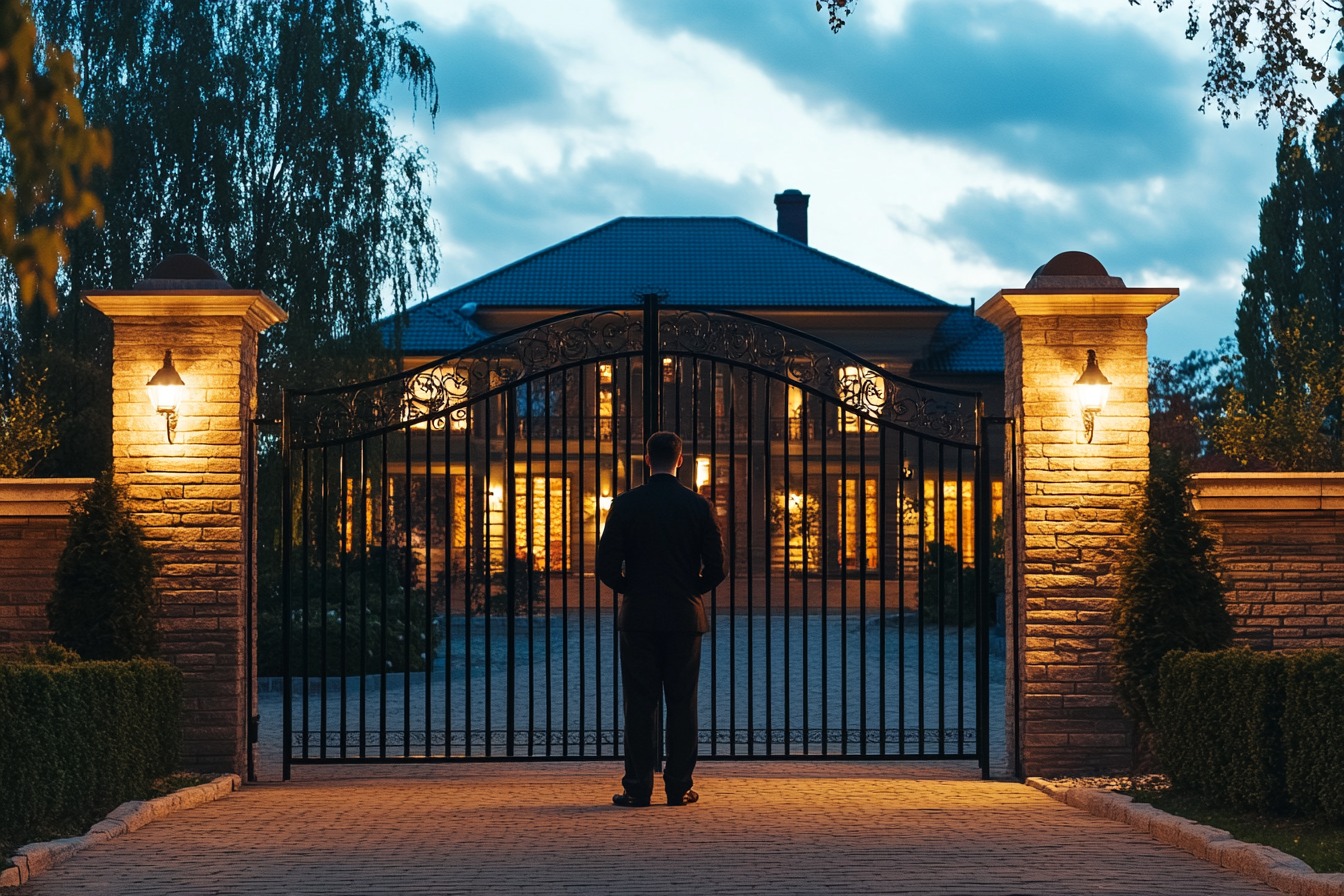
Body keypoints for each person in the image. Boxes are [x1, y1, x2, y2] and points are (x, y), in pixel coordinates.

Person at [596, 431, 726, 807]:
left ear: (648, 460)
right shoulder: (698, 506)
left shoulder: (626, 504)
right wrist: (692, 588)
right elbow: (717, 566)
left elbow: (605, 564)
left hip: (638, 615)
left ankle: (638, 787)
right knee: (682, 703)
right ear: (681, 460)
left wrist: (631, 587)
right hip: (685, 615)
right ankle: (679, 786)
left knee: (640, 703)